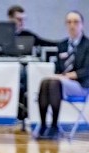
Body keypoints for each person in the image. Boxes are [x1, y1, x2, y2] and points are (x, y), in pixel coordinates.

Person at [37, 11, 89, 140]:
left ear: (82, 25)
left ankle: (54, 126)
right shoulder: (62, 45)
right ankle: (43, 125)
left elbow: (87, 70)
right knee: (45, 82)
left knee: (55, 83)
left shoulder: (87, 45)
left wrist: (67, 76)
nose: (72, 25)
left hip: (81, 85)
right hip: (62, 83)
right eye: (69, 22)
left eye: (76, 22)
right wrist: (60, 76)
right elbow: (59, 68)